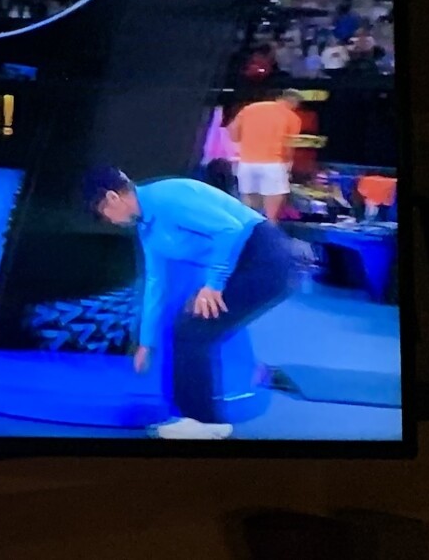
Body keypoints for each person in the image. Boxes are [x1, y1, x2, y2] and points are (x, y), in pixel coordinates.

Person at [82, 167, 299, 440]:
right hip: (245, 263)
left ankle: (204, 422)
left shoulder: (167, 196)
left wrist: (213, 285)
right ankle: (195, 418)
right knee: (189, 330)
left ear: (112, 198)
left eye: (104, 214)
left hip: (265, 256)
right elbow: (156, 284)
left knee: (193, 331)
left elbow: (230, 229)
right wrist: (146, 342)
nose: (109, 221)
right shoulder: (147, 229)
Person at [227, 89, 303, 222]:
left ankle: (248, 230)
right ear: (295, 102)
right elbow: (289, 145)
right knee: (271, 214)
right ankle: (269, 229)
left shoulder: (249, 109)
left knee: (249, 206)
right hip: (273, 164)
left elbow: (233, 134)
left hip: (247, 163)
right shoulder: (291, 117)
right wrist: (288, 166)